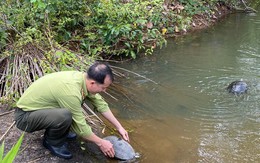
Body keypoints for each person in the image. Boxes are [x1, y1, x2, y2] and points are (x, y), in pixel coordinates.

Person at [14, 62, 129, 159]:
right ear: (93, 83)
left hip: (41, 110)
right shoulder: (71, 91)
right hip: (25, 117)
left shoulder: (83, 79)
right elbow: (81, 127)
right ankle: (52, 142)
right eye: (103, 87)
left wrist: (119, 126)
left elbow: (101, 104)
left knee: (68, 114)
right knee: (65, 116)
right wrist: (101, 142)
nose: (104, 91)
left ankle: (61, 130)